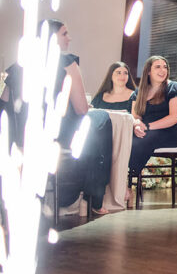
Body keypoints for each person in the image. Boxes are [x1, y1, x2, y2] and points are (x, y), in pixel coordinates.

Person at [2, 20, 113, 214]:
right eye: (64, 34)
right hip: (58, 133)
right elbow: (81, 109)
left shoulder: (17, 66)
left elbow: (4, 106)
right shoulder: (66, 63)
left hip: (23, 136)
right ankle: (95, 197)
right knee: (102, 119)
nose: (69, 38)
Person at [129, 56, 177, 183]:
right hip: (146, 132)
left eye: (165, 67)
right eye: (158, 67)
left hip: (168, 133)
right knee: (124, 140)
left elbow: (175, 117)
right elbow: (135, 116)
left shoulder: (173, 87)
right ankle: (121, 179)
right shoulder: (139, 92)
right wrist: (136, 125)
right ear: (148, 71)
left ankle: (128, 181)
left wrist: (147, 126)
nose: (162, 70)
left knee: (139, 141)